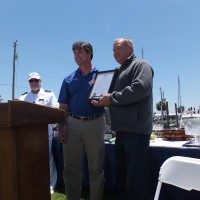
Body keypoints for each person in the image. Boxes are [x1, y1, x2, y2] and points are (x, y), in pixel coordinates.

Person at [92, 38, 154, 200]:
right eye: (112, 50)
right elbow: (108, 95)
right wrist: (98, 93)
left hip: (136, 131)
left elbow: (140, 88)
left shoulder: (140, 65)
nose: (115, 53)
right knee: (123, 178)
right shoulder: (119, 72)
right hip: (121, 131)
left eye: (118, 48)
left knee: (136, 179)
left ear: (130, 47)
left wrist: (111, 98)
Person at [58, 41, 105, 200]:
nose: (76, 56)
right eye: (74, 53)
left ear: (90, 53)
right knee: (71, 168)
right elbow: (62, 106)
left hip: (96, 123)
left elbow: (110, 100)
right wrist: (61, 129)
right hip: (72, 124)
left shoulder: (102, 76)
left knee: (96, 168)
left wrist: (103, 101)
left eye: (80, 52)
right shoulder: (68, 79)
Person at [18, 72, 58, 194]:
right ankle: (33, 181)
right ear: (29, 83)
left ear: (40, 81)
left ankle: (51, 184)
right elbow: (18, 113)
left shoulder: (49, 94)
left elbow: (56, 109)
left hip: (45, 132)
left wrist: (42, 113)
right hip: (28, 135)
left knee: (47, 158)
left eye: (36, 80)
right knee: (30, 159)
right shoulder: (23, 98)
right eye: (31, 81)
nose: (34, 83)